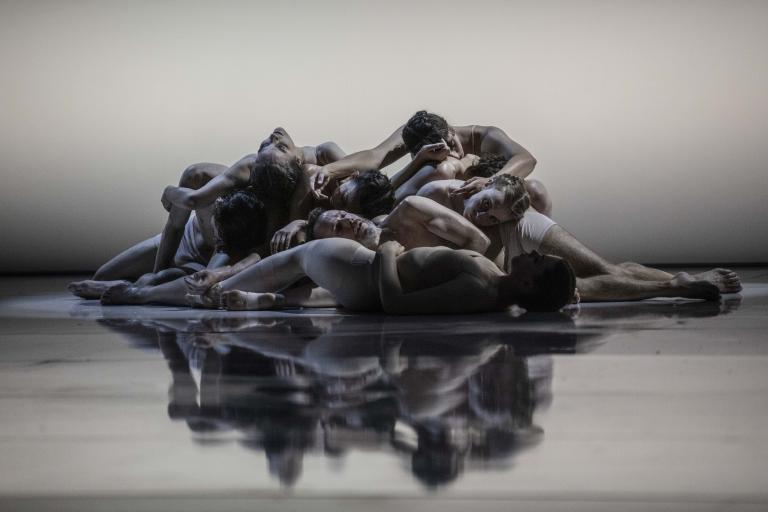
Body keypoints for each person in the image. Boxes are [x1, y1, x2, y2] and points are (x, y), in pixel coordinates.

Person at [417, 177, 740, 301]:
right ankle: (675, 285)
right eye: (484, 206)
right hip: (498, 253)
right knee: (574, 286)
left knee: (603, 269)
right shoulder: (437, 192)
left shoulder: (508, 211)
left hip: (520, 228)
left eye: (490, 213)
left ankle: (678, 283)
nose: (481, 215)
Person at [188, 238, 577, 315]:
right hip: (358, 285)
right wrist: (564, 296)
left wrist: (389, 252)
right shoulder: (497, 291)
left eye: (537, 260)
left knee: (300, 256)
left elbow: (396, 304)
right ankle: (266, 301)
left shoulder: (481, 287)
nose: (531, 253)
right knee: (311, 282)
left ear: (528, 283)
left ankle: (210, 290)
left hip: (363, 272)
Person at [312, 110, 551, 215]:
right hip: (435, 202)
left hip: (486, 201)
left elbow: (526, 159)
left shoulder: (485, 136)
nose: (451, 153)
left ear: (450, 129)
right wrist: (330, 169)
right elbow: (376, 157)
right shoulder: (415, 136)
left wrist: (491, 182)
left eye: (452, 145)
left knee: (536, 190)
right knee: (327, 152)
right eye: (440, 151)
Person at [95, 189, 271, 306]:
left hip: (199, 264)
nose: (218, 242)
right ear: (217, 206)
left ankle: (138, 290)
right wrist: (154, 274)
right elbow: (174, 225)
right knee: (102, 275)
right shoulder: (206, 194)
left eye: (222, 242)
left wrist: (146, 290)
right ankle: (137, 286)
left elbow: (202, 290)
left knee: (190, 285)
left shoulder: (246, 229)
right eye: (218, 236)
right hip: (182, 241)